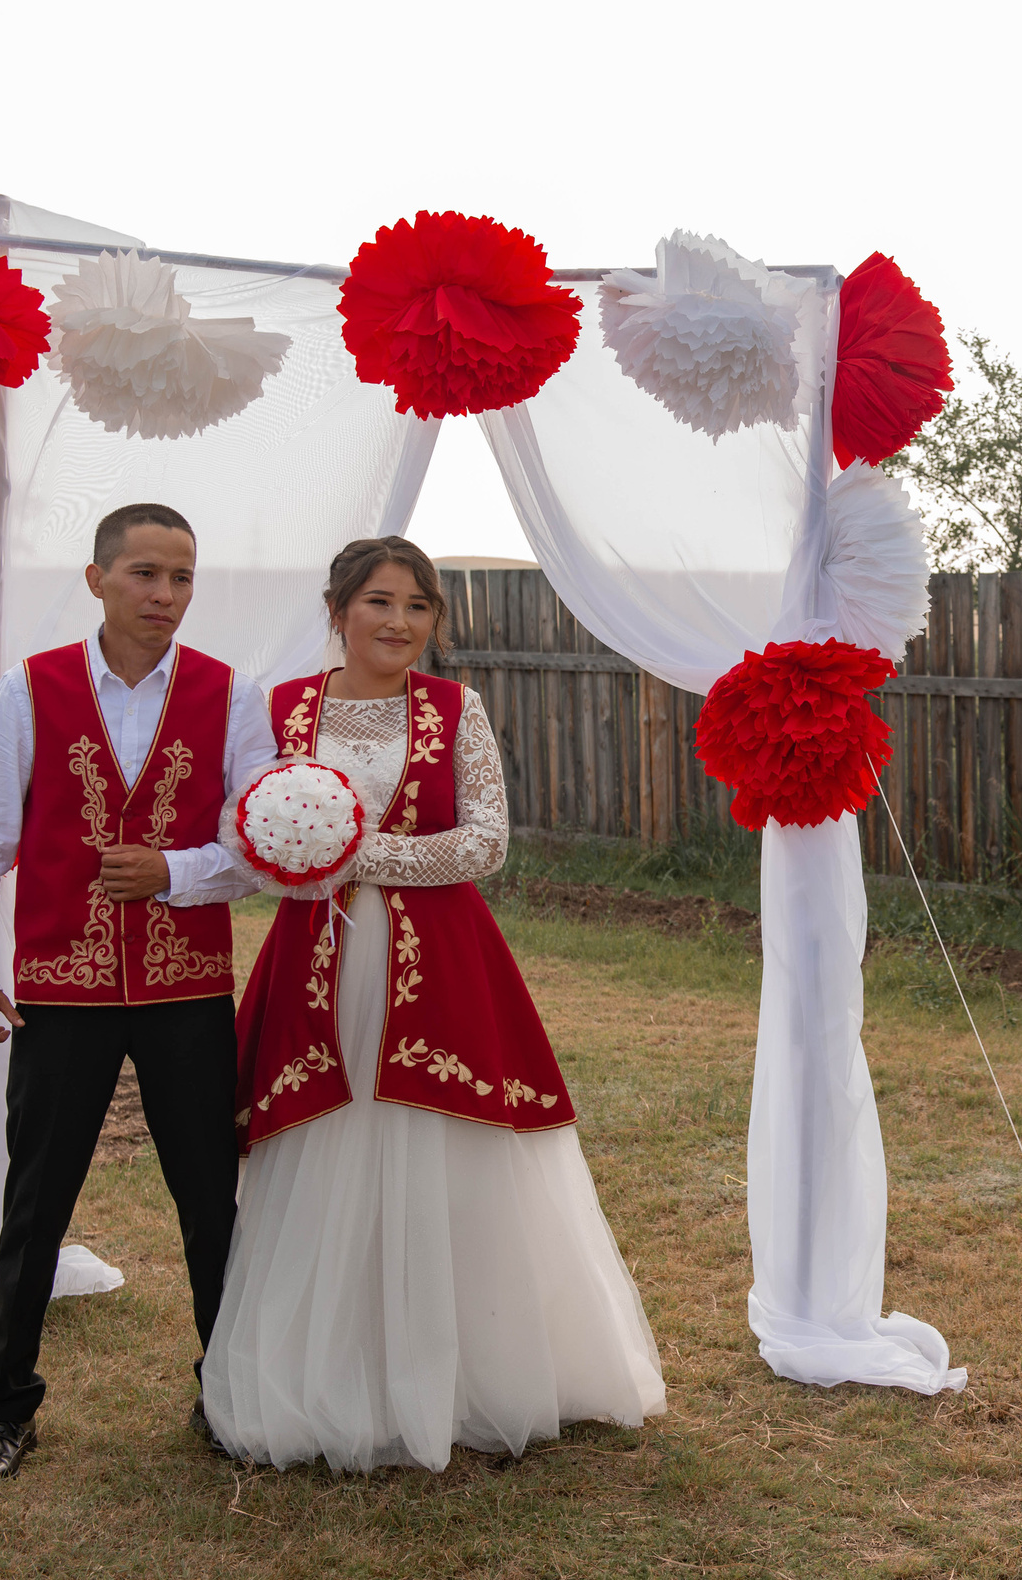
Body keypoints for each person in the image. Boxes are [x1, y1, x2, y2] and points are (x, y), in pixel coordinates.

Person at [202, 536, 665, 1470]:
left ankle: (467, 1372)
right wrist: (292, 860)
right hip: (316, 961)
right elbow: (240, 829)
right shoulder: (279, 709)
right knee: (324, 1149)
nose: (400, 622)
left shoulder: (458, 708)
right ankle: (334, 1373)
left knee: (445, 1150)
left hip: (434, 964)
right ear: (337, 611)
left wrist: (353, 854)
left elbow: (486, 840)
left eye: (419, 607)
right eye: (379, 601)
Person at [0, 503, 277, 1487]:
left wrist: (170, 870)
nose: (164, 594)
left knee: (213, 1200)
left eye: (180, 576)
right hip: (62, 988)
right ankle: (5, 1408)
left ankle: (228, 1392)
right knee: (36, 1202)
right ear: (96, 579)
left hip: (186, 986)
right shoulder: (29, 686)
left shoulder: (231, 691)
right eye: (143, 574)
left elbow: (256, 845)